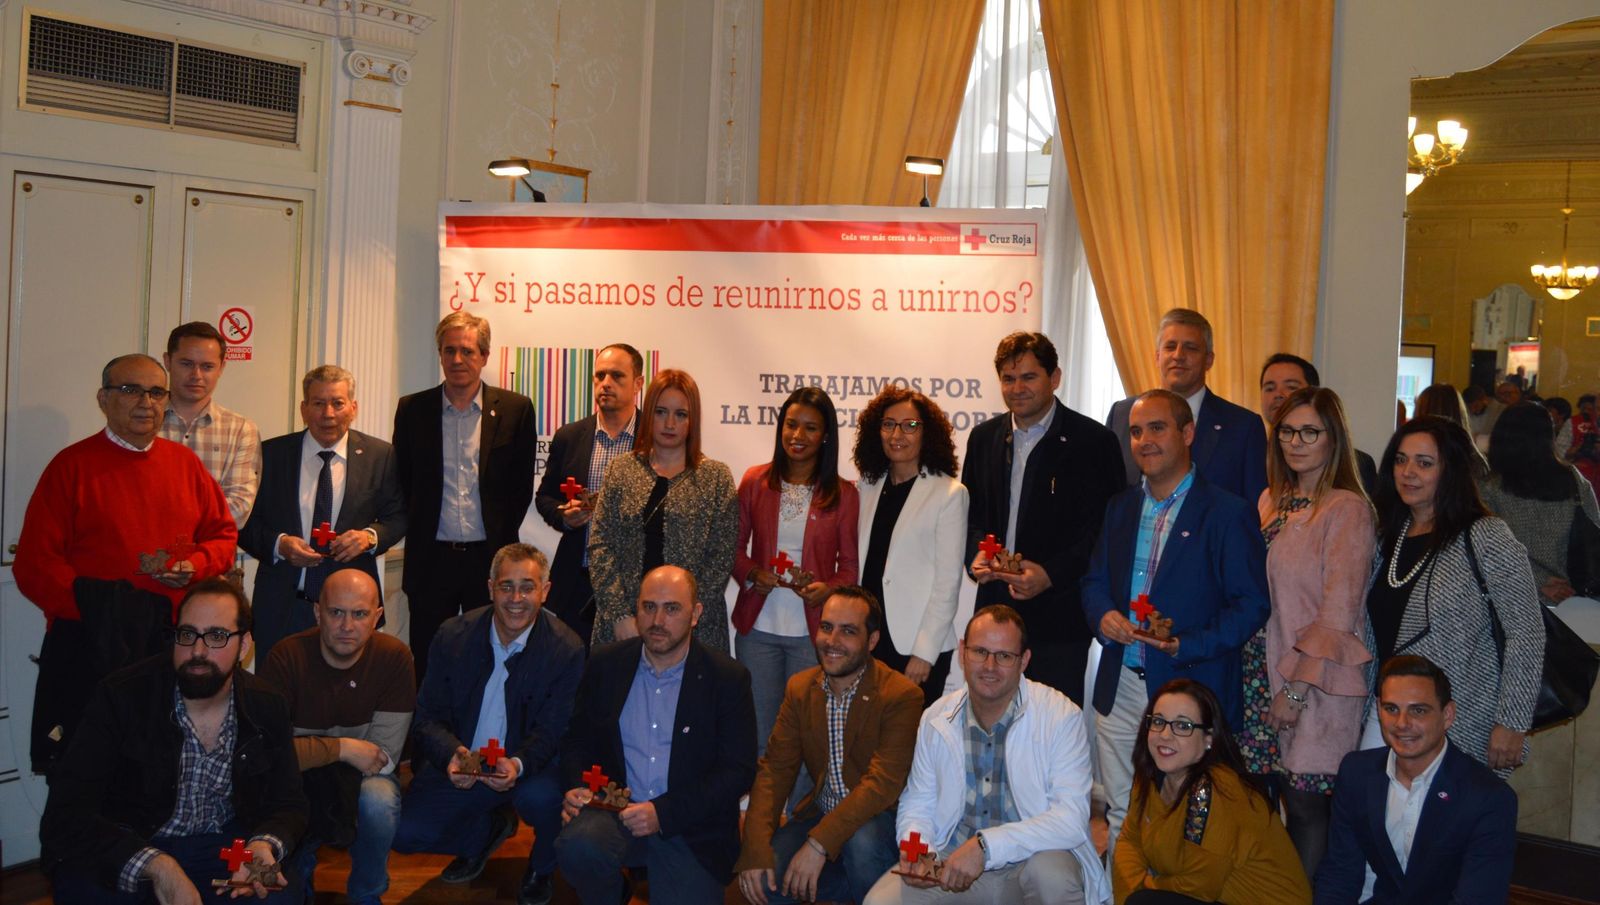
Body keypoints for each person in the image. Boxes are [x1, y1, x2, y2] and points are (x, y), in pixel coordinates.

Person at [15, 353, 237, 774]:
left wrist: (195, 564)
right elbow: (34, 566)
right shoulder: (71, 467)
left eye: (156, 392)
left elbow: (223, 537)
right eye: (130, 390)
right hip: (91, 644)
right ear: (103, 398)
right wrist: (106, 611)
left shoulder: (185, 464)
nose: (145, 402)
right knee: (85, 772)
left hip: (173, 644)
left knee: (161, 769)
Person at [1080, 388, 1271, 852]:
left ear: (1188, 433)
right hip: (1122, 681)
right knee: (1124, 815)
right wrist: (1103, 615)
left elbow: (1252, 604)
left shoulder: (1228, 512)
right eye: (1137, 431)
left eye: (1157, 428)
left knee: (1193, 823)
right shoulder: (1120, 507)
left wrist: (1186, 645)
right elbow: (1093, 581)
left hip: (1193, 685)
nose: (1144, 440)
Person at [39, 578, 307, 903]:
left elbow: (288, 803)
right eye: (187, 634)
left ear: (245, 645)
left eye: (217, 636)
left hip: (223, 846)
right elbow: (65, 814)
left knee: (282, 895)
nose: (197, 651)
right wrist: (158, 865)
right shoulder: (121, 696)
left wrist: (263, 845)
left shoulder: (268, 705)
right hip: (135, 843)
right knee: (83, 890)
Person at [862, 605, 1107, 905]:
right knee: (878, 902)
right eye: (980, 651)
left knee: (1053, 875)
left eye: (1004, 656)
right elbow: (918, 801)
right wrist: (919, 850)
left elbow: (1070, 820)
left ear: (1024, 661)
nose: (989, 666)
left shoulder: (1061, 716)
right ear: (962, 652)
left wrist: (985, 846)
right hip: (953, 861)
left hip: (1031, 860)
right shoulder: (936, 717)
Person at [392, 544, 584, 905]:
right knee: (404, 834)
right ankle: (486, 830)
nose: (516, 598)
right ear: (490, 587)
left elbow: (554, 730)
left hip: (529, 766)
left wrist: (518, 764)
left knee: (542, 800)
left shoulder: (566, 649)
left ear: (544, 591)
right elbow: (427, 717)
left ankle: (542, 868)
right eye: (506, 586)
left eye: (527, 587)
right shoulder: (452, 635)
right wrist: (452, 754)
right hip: (468, 760)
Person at [555, 565, 757, 905]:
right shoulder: (606, 663)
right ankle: (612, 894)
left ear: (695, 614)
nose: (657, 620)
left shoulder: (727, 678)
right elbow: (577, 740)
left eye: (672, 608)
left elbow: (738, 771)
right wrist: (577, 784)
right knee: (578, 847)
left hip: (689, 822)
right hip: (613, 809)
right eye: (648, 606)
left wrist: (663, 812)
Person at [1237, 386, 1375, 878]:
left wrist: (1295, 690)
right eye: (1287, 432)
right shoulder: (1270, 500)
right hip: (1259, 673)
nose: (1295, 442)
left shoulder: (1347, 510)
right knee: (1265, 804)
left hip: (1316, 682)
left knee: (1306, 807)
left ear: (1332, 438)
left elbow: (1339, 612)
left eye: (1309, 432)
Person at [1362, 416, 1544, 776]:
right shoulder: (1387, 536)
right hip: (1385, 710)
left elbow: (1526, 632)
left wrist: (1512, 721)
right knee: (1380, 819)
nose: (1408, 472)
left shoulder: (1486, 535)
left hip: (1459, 716)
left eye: (1424, 463)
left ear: (1451, 472)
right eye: (1400, 460)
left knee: (1444, 827)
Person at [963, 332, 1124, 705]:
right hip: (993, 613)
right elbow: (970, 518)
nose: (1017, 388)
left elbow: (1102, 533)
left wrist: (1050, 574)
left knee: (1051, 730)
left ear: (1055, 378)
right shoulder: (983, 438)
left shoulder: (1093, 442)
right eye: (1008, 378)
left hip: (1059, 616)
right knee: (991, 721)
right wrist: (975, 555)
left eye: (1029, 377)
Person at [736, 587, 921, 905]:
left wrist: (819, 844)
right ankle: (853, 888)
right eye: (826, 627)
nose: (832, 640)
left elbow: (881, 786)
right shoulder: (801, 688)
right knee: (766, 881)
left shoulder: (901, 695)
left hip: (878, 821)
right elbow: (775, 770)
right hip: (821, 813)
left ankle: (875, 892)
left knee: (860, 844)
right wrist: (754, 848)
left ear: (872, 641)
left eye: (848, 631)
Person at [393, 311, 538, 684]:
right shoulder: (413, 410)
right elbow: (404, 482)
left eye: (468, 351)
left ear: (485, 356)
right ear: (439, 354)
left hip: (489, 561)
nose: (458, 360)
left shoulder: (516, 410)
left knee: (488, 659)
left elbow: (520, 489)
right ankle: (429, 741)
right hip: (431, 560)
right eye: (449, 350)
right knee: (428, 661)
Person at [260, 570, 415, 905]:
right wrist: (343, 748)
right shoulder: (285, 657)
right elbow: (272, 755)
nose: (347, 626)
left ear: (377, 616)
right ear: (318, 613)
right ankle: (301, 884)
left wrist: (312, 750)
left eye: (359, 614)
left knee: (379, 801)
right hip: (300, 775)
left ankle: (367, 893)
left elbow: (383, 757)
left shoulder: (395, 659)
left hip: (365, 774)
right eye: (336, 612)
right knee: (291, 795)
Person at [1313, 656, 1517, 905]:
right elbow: (1340, 873)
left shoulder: (1488, 797)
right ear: (1378, 710)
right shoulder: (1357, 773)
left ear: (1448, 715)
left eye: (1418, 710)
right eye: (1391, 709)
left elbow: (1478, 899)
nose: (1402, 724)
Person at [240, 365, 406, 659]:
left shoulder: (381, 456)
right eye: (318, 403)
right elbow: (244, 521)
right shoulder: (271, 454)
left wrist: (369, 537)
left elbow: (399, 516)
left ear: (353, 408)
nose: (328, 414)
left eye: (337, 403)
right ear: (304, 409)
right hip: (283, 606)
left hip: (349, 614)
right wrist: (279, 544)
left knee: (345, 699)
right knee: (275, 699)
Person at [733, 386, 861, 757]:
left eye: (810, 428)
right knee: (760, 732)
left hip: (812, 632)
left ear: (825, 437)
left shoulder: (843, 494)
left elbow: (849, 568)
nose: (797, 436)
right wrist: (754, 574)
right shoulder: (755, 481)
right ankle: (758, 811)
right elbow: (734, 550)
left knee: (807, 735)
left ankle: (799, 814)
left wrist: (828, 591)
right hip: (757, 629)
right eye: (791, 425)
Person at [1112, 678, 1310, 905]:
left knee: (1145, 902)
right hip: (1210, 898)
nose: (1165, 735)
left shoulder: (1215, 791)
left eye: (1183, 726)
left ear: (1208, 738)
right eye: (1158, 722)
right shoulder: (1149, 774)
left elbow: (1198, 886)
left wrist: (1141, 889)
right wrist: (1130, 892)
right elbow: (1130, 841)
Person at [588, 368, 739, 651]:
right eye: (660, 412)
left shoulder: (716, 477)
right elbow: (600, 545)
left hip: (695, 631)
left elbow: (720, 558)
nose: (670, 423)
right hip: (624, 626)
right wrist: (620, 616)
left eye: (680, 414)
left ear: (692, 420)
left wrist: (681, 618)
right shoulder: (620, 470)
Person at [853, 385, 969, 706]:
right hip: (870, 637)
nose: (897, 434)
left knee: (912, 745)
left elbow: (948, 584)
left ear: (926, 433)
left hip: (915, 647)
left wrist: (924, 653)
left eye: (910, 425)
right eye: (888, 424)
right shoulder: (868, 487)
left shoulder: (949, 494)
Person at [533, 342, 645, 644]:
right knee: (574, 677)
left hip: (633, 584)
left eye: (617, 376)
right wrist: (564, 516)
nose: (606, 383)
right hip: (576, 580)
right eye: (600, 376)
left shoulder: (653, 437)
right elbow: (544, 498)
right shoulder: (570, 436)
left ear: (638, 384)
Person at [1106, 308, 1266, 504]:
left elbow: (1255, 509)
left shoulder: (1243, 427)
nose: (1178, 355)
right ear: (1157, 357)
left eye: (1190, 348)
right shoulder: (1122, 415)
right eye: (1170, 346)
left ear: (1209, 360)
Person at [1481, 401, 1600, 606]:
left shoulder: (1490, 487)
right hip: (1573, 599)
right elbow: (1595, 531)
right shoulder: (1573, 479)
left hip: (1513, 599)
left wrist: (1537, 581)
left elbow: (1483, 549)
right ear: (1548, 436)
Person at [160, 321, 262, 528]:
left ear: (221, 368)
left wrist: (167, 519)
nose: (196, 375)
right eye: (186, 364)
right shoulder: (141, 422)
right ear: (168, 361)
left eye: (207, 366)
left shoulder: (241, 430)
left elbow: (239, 509)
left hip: (211, 557)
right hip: (147, 557)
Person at [1257, 352, 1377, 494]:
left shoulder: (1359, 464)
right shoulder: (1252, 456)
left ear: (1312, 392)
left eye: (1291, 387)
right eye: (1270, 388)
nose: (1278, 394)